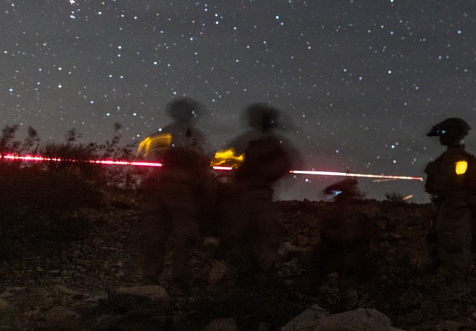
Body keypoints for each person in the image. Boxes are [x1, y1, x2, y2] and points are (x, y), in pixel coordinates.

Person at [137, 97, 213, 291]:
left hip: (161, 186)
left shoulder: (162, 134)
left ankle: (152, 279)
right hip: (180, 188)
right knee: (182, 236)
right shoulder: (194, 136)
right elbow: (203, 164)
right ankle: (178, 282)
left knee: (158, 236)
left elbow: (146, 157)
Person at [220, 103, 301, 277]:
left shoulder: (246, 140)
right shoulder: (272, 143)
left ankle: (244, 276)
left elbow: (224, 160)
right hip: (258, 195)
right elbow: (287, 164)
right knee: (260, 237)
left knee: (245, 237)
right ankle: (259, 277)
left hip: (247, 195)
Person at [423, 117, 476, 298]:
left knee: (454, 245)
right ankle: (458, 286)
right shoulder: (452, 157)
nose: (441, 137)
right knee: (447, 244)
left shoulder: (456, 158)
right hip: (449, 206)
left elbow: (451, 182)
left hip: (454, 207)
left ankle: (458, 289)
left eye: (445, 132)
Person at [304, 178, 376, 292]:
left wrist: (329, 233)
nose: (335, 197)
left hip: (345, 256)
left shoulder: (349, 212)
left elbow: (350, 235)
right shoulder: (346, 211)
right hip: (343, 254)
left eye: (338, 194)